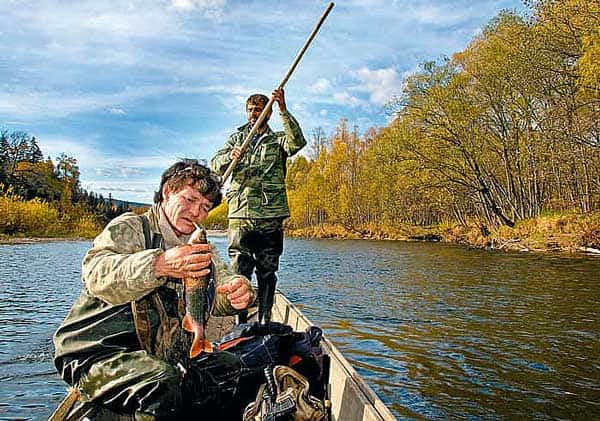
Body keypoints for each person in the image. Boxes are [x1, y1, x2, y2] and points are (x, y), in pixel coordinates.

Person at [53, 161, 256, 420]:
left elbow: (223, 282)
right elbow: (95, 273)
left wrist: (237, 292)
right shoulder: (130, 227)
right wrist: (158, 265)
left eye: (205, 207)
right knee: (162, 380)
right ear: (168, 192)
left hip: (159, 356)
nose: (196, 212)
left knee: (230, 368)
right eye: (190, 199)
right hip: (91, 355)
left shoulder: (202, 248)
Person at [211, 88, 306, 326]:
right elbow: (215, 164)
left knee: (267, 270)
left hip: (270, 215)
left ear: (268, 113)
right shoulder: (237, 137)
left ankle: (264, 320)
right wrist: (230, 157)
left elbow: (297, 143)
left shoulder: (277, 140)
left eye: (259, 109)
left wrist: (284, 109)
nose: (254, 114)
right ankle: (240, 322)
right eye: (250, 110)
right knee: (239, 270)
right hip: (240, 214)